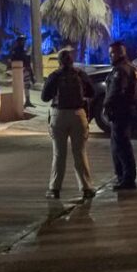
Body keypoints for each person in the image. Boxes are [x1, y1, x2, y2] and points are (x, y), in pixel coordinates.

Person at [40, 49, 95, 200]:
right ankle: (87, 187)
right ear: (72, 60)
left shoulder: (55, 76)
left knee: (59, 154)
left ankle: (54, 189)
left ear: (59, 61)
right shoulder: (80, 74)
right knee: (80, 152)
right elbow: (92, 92)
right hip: (78, 114)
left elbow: (44, 97)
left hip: (59, 115)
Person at [104, 41, 137, 191]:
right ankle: (124, 178)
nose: (110, 56)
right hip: (128, 110)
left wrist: (107, 105)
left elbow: (117, 91)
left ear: (119, 53)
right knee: (120, 144)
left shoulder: (121, 70)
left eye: (112, 53)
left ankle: (127, 179)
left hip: (120, 111)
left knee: (121, 146)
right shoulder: (131, 67)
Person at [8, 35, 34, 107]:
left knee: (27, 85)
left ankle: (27, 101)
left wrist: (31, 74)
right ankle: (19, 103)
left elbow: (27, 63)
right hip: (19, 71)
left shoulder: (24, 50)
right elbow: (12, 61)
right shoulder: (16, 50)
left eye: (24, 41)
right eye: (22, 41)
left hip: (25, 70)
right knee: (19, 87)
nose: (24, 42)